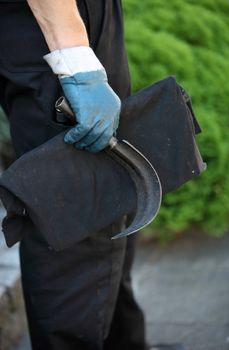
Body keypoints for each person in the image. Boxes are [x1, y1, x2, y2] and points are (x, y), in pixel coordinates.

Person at [0, 1, 186, 349]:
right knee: (78, 219)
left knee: (110, 206)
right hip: (53, 22)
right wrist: (73, 60)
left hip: (64, 19)